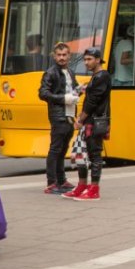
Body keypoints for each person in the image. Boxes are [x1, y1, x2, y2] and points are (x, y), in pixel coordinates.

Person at [63, 47, 110, 201]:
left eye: (89, 59)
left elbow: (92, 102)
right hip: (89, 121)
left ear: (98, 60)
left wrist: (80, 119)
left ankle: (94, 189)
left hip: (94, 122)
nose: (86, 62)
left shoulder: (102, 76)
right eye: (85, 59)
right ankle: (82, 186)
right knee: (81, 154)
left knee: (94, 154)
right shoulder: (96, 76)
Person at [38, 42, 78, 195]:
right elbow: (43, 93)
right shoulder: (50, 72)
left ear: (69, 56)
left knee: (63, 149)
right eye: (59, 55)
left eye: (64, 55)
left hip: (69, 114)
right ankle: (52, 182)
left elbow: (71, 91)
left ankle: (61, 180)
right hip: (58, 115)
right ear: (54, 56)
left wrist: (78, 91)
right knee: (55, 149)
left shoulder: (70, 72)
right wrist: (63, 98)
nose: (62, 58)